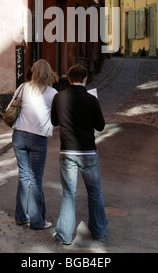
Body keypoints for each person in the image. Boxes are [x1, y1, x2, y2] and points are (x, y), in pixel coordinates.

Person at [51, 64, 107, 245]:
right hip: (88, 152)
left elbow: (53, 121)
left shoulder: (59, 97)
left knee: (68, 194)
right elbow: (100, 126)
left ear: (68, 79)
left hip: (68, 151)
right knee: (95, 192)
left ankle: (65, 235)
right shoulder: (92, 99)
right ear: (86, 79)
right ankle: (98, 231)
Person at [8, 59, 58, 229]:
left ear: (34, 72)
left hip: (19, 136)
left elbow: (10, 108)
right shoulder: (52, 93)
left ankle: (21, 216)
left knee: (24, 177)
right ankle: (37, 221)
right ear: (48, 73)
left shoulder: (23, 88)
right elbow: (57, 120)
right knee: (36, 179)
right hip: (38, 138)